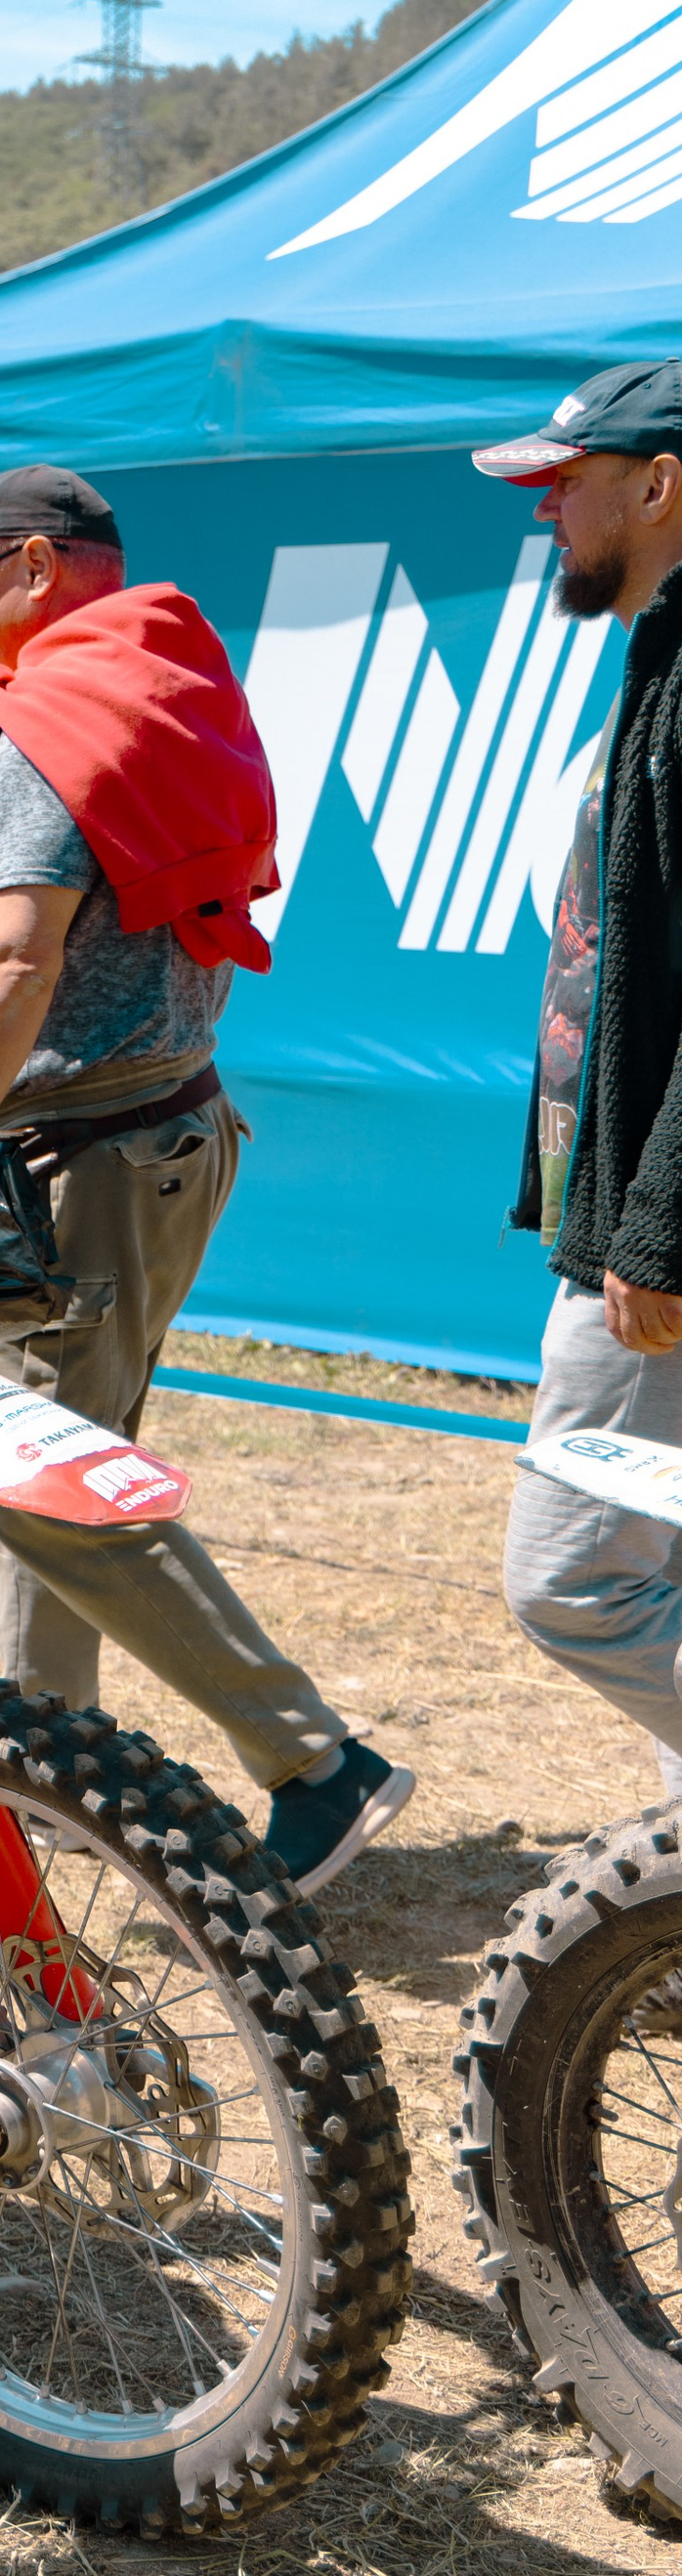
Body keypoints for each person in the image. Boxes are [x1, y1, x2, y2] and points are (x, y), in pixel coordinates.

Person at [0, 461, 411, 1885]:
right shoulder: (151, 681)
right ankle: (65, 1777)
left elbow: (15, 955)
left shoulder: (49, 716)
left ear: (36, 565)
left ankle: (315, 1761)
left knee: (40, 1491)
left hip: (93, 1157)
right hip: (147, 1136)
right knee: (39, 1480)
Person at [489, 363, 682, 1789]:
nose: (546, 508)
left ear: (662, 484)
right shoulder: (659, 656)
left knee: (575, 1576)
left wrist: (655, 1222)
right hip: (626, 1218)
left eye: (571, 479)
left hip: (657, 1247)